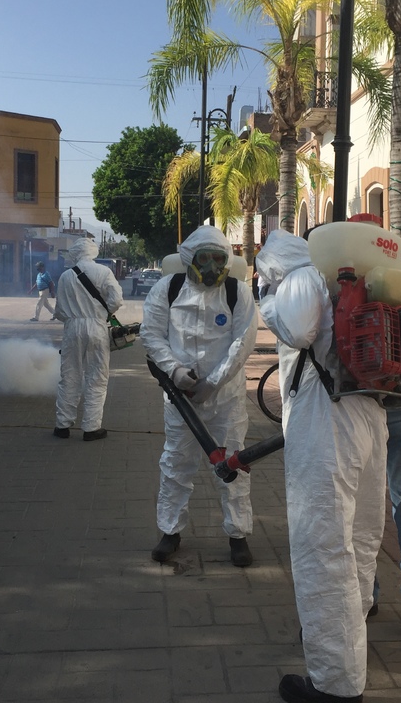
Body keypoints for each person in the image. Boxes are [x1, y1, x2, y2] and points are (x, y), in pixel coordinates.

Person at [256, 229, 388, 703]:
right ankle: (345, 638)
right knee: (359, 540)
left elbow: (297, 331)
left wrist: (266, 298)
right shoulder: (346, 278)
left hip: (325, 420)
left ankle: (334, 683)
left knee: (322, 550)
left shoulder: (300, 279)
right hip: (370, 414)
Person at [141, 226, 257, 567]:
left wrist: (213, 383)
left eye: (218, 259)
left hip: (226, 400)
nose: (211, 267)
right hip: (180, 400)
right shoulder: (168, 288)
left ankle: (238, 535)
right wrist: (174, 370)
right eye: (204, 258)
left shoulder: (237, 292)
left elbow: (243, 342)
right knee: (176, 463)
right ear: (189, 258)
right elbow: (151, 333)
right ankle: (170, 531)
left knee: (232, 466)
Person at [52, 238, 123, 441]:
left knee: (69, 376)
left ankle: (62, 425)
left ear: (75, 253)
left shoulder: (65, 276)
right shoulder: (103, 272)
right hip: (97, 327)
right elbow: (116, 300)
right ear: (93, 252)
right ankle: (91, 428)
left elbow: (59, 309)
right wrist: (103, 313)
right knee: (97, 377)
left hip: (72, 328)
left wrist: (72, 318)